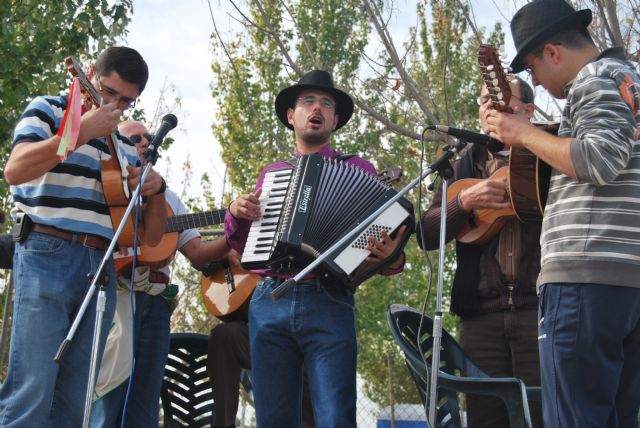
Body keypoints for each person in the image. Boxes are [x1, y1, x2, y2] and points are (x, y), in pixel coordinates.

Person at [483, 1, 640, 426]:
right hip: (625, 281)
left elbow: (597, 160)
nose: (534, 79)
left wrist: (525, 133)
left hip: (583, 279)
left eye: (532, 67)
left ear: (552, 51)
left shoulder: (593, 80)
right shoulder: (628, 81)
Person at [224, 69, 408, 427]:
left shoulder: (358, 169)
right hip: (271, 297)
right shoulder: (273, 173)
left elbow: (382, 247)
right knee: (273, 418)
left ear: (335, 120)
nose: (317, 107)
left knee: (336, 416)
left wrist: (392, 258)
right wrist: (236, 214)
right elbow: (245, 249)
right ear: (292, 116)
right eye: (308, 101)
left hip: (329, 299)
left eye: (326, 103)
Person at [0, 47, 167, 427]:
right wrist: (78, 133)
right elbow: (15, 169)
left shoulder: (125, 146)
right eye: (109, 93)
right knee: (32, 389)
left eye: (127, 100)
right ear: (88, 74)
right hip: (46, 252)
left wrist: (155, 192)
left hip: (100, 269)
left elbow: (150, 236)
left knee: (76, 401)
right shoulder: (49, 109)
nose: (116, 105)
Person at [416, 76, 542, 428]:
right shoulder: (461, 164)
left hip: (541, 311)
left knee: (543, 416)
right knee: (486, 419)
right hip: (480, 318)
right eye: (486, 99)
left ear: (527, 110)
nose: (492, 106)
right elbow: (425, 232)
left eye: (502, 98)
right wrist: (463, 202)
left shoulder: (548, 151)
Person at [90, 120, 232, 427]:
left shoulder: (169, 200)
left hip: (154, 306)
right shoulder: (100, 186)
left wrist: (234, 233)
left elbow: (197, 253)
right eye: (136, 137)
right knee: (106, 394)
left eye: (148, 137)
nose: (145, 141)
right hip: (110, 299)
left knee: (144, 398)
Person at [206, 251, 315, 428]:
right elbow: (204, 258)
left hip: (306, 326)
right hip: (266, 329)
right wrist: (226, 254)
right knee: (224, 336)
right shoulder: (250, 226)